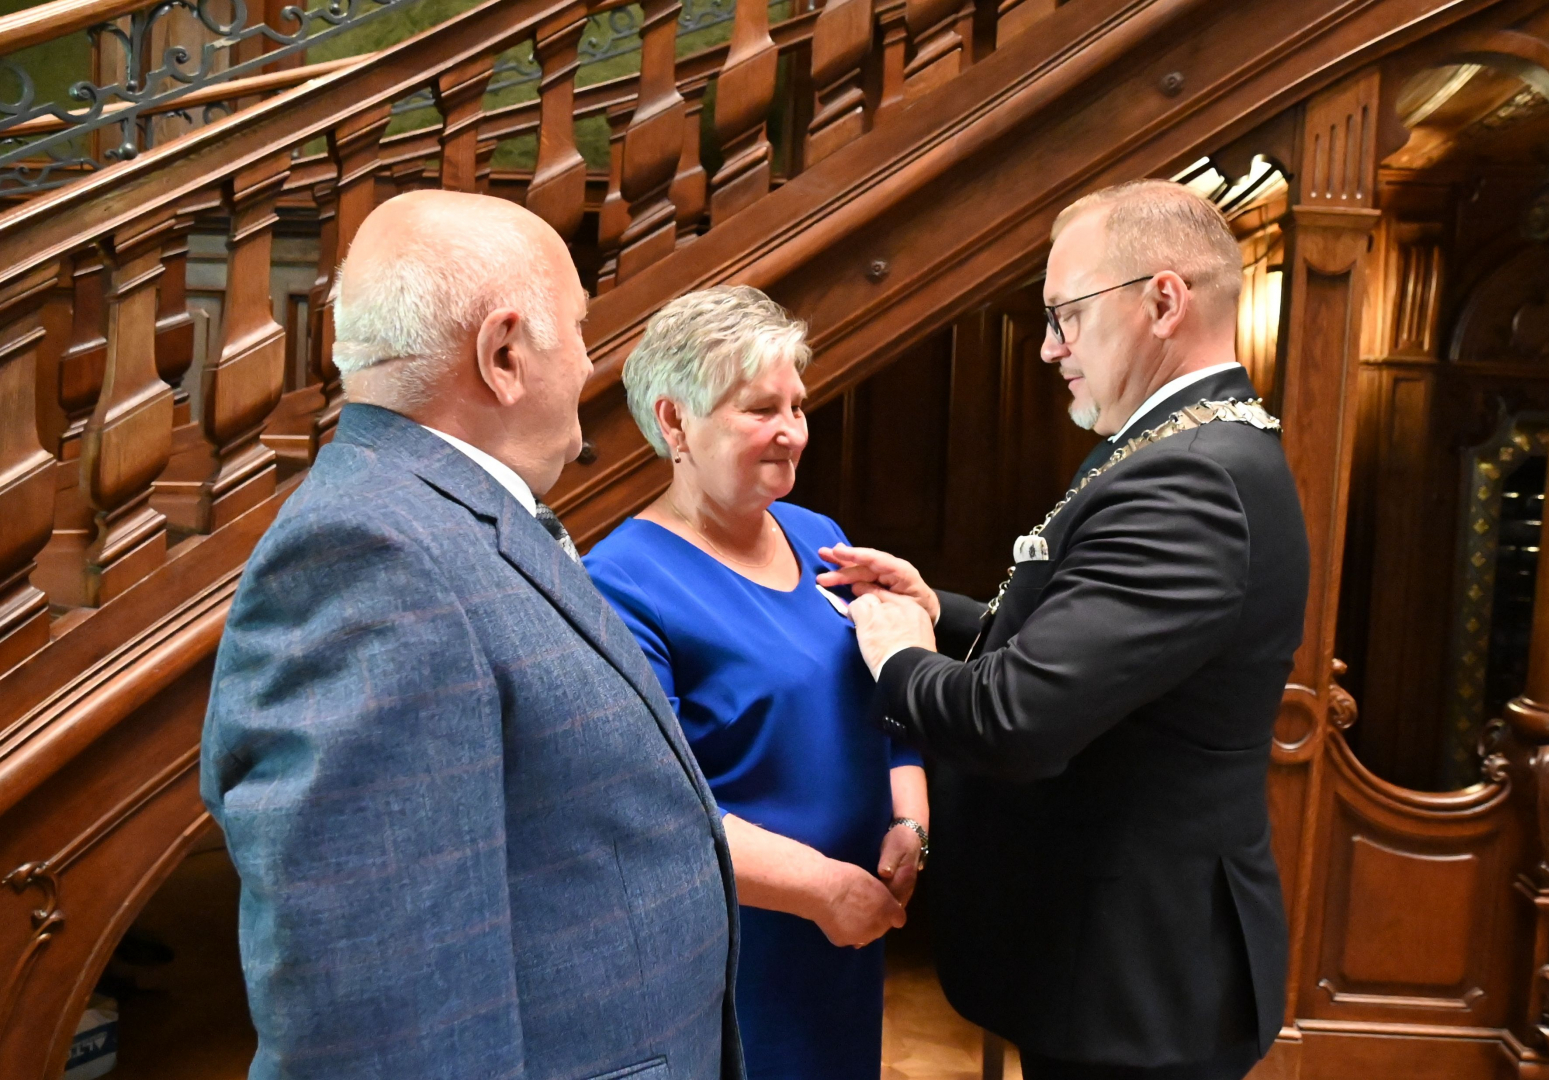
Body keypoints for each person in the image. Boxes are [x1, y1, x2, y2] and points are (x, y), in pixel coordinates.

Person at [199, 191, 742, 1080]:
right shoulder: (370, 557)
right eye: (578, 327)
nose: (591, 361)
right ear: (503, 355)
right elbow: (381, 1019)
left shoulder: (439, 517)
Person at [820, 179, 1310, 1080]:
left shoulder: (1191, 479)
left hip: (1137, 976)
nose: (1049, 348)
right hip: (1124, 956)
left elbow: (1013, 722)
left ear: (1163, 302)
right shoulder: (1187, 441)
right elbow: (1097, 650)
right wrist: (939, 610)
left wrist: (899, 657)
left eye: (1066, 316)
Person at [583, 287, 928, 1080]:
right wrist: (820, 892)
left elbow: (889, 704)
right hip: (738, 949)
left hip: (851, 932)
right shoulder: (620, 583)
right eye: (761, 409)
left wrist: (911, 822)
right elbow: (652, 810)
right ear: (674, 422)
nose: (792, 431)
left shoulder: (821, 539)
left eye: (796, 407)